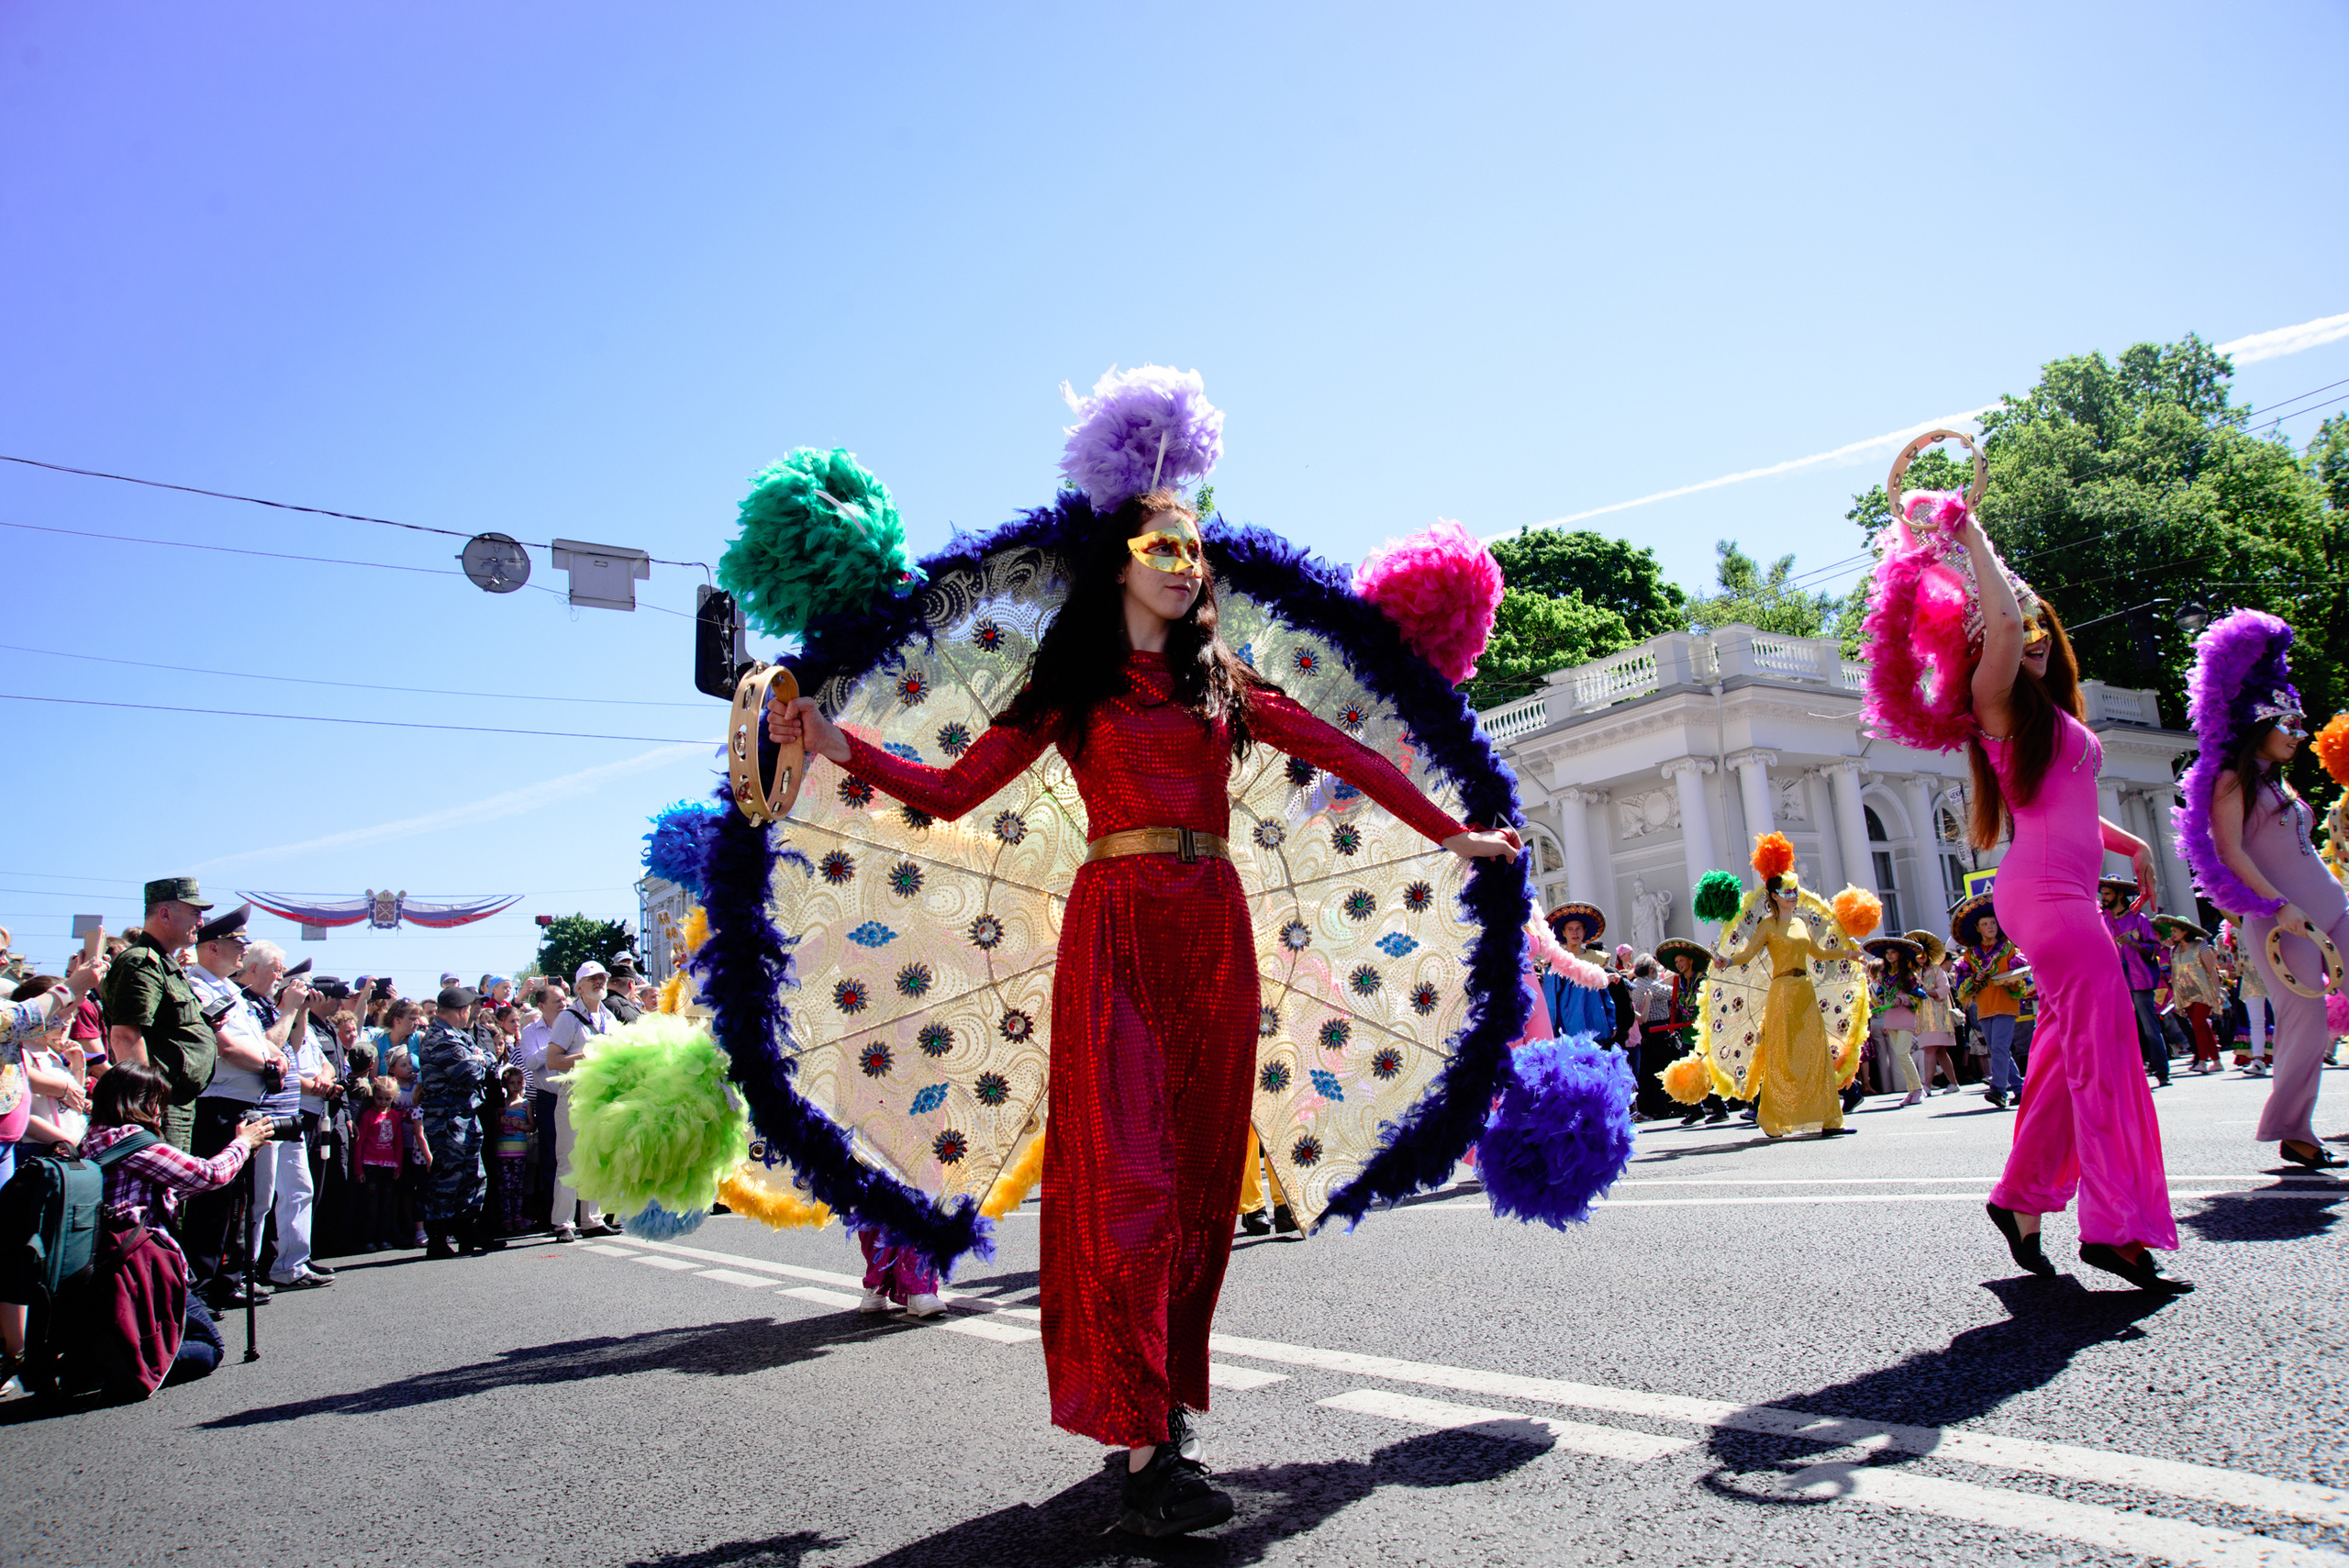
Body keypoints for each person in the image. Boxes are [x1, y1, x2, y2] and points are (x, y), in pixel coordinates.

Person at [766, 483, 1518, 1538]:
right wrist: (838, 746)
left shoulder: (1225, 683)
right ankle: (1143, 1454)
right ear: (1118, 559)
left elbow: (1342, 750)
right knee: (1130, 1181)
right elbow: (952, 791)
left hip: (1212, 930)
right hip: (1113, 926)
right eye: (1164, 544)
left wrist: (1450, 833)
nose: (1185, 562)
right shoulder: (1071, 683)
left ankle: (1157, 1410)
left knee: (1202, 1183)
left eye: (1196, 549)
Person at [1942, 508, 2182, 1292]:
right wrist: (1969, 534)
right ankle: (2115, 1227)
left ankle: (2021, 1201)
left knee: (2060, 1053)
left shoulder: (2056, 720)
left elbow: (2072, 807)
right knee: (2106, 1052)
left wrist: (2133, 845)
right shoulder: (1996, 698)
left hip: (2063, 887)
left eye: (2045, 625)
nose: (2034, 635)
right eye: (2022, 627)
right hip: (2045, 895)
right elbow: (2002, 625)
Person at [2174, 610, 2348, 1169]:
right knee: (2305, 1019)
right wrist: (2278, 906)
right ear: (2259, 724)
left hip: (2333, 908)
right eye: (2289, 724)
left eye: (2301, 724)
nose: (2301, 734)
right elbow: (2230, 853)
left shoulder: (2281, 781)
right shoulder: (2230, 778)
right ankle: (2293, 1128)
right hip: (2282, 920)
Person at [1704, 836, 1868, 1139]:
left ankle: (1831, 1119)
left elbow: (1818, 954)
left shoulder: (1801, 924)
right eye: (1786, 892)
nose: (1792, 896)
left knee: (1816, 1052)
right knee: (1783, 1056)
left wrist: (1848, 953)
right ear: (1774, 895)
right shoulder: (1767, 926)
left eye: (1794, 891)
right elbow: (1749, 954)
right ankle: (1774, 1119)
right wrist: (1727, 961)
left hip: (1805, 990)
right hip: (1781, 993)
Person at [178, 906, 297, 1310]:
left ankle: (228, 1279)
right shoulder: (198, 985)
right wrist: (267, 1063)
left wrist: (273, 1055)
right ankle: (202, 1286)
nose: (243, 950)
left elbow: (257, 1039)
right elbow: (225, 1047)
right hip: (218, 1104)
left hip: (244, 1104)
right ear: (213, 947)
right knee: (212, 1201)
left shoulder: (230, 990)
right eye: (237, 943)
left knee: (238, 1200)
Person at [236, 939, 332, 1291]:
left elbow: (291, 1049)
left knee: (298, 1190)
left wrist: (301, 1011)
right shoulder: (246, 1005)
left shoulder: (273, 1009)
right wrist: (290, 1010)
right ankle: (243, 1273)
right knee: (259, 1200)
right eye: (277, 968)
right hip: (263, 1114)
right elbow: (267, 1049)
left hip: (288, 1113)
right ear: (254, 970)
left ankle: (291, 1264)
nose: (280, 975)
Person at [98, 878, 221, 1151]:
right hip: (158, 1105)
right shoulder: (141, 962)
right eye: (194, 913)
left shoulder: (164, 963)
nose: (201, 922)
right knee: (163, 1191)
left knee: (174, 1191)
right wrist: (145, 1103)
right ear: (165, 913)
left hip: (175, 1102)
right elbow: (125, 1036)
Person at [416, 985, 501, 1259]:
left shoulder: (458, 1036)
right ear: (461, 1011)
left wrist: (480, 1058)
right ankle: (438, 1236)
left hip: (466, 1113)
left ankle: (468, 1230)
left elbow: (487, 1057)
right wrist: (479, 1060)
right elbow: (468, 1072)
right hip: (446, 1117)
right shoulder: (440, 1037)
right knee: (447, 1176)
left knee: (473, 1175)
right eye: (469, 1010)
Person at [542, 962, 619, 1241]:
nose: (599, 982)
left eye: (602, 978)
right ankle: (563, 1223)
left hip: (601, 1095)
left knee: (597, 1158)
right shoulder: (568, 1018)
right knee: (570, 1160)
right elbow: (552, 1061)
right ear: (579, 987)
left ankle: (592, 1219)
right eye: (592, 979)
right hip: (575, 1094)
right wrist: (584, 1057)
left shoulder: (609, 1017)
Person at [1952, 895, 2027, 1108]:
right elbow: (1962, 984)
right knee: (1997, 1050)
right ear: (1978, 928)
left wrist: (2010, 980)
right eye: (1985, 924)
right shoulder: (1971, 955)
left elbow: (2020, 978)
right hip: (1984, 1006)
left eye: (1993, 922)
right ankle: (2020, 1089)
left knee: (2000, 1047)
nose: (1990, 927)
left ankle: (1999, 1090)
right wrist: (1974, 979)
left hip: (2005, 1004)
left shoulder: (2008, 948)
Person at [2099, 877, 2170, 1088]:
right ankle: (2130, 1073)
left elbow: (2153, 950)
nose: (2103, 898)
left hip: (2140, 980)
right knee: (2120, 1029)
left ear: (2120, 895)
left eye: (2107, 894)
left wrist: (2134, 943)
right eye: (2102, 894)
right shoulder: (2101, 921)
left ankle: (2162, 1071)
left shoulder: (2139, 920)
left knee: (2149, 1027)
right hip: (2115, 982)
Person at [517, 981, 565, 1229]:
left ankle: (578, 1213)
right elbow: (530, 1063)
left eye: (564, 998)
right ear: (542, 1005)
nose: (563, 1003)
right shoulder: (530, 1032)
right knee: (551, 1157)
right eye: (557, 1000)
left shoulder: (572, 1024)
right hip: (548, 1100)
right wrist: (554, 1047)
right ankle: (550, 1214)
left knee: (577, 1155)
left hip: (575, 1096)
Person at [1865, 936, 1928, 1106]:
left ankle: (1918, 1089)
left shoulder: (1907, 975)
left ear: (1900, 955)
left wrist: (1901, 1001)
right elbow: (1881, 996)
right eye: (1887, 952)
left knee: (1902, 1053)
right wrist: (1876, 1006)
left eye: (1893, 952)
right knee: (1900, 1057)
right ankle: (1912, 1090)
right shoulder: (1884, 976)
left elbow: (1918, 996)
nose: (1890, 955)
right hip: (1890, 1019)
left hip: (1905, 1018)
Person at [1540, 903, 1616, 1041]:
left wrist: (1611, 1021)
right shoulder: (1557, 961)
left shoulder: (1596, 958)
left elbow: (1605, 993)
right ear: (1563, 933)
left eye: (1578, 929)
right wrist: (1550, 1029)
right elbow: (1550, 999)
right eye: (1570, 929)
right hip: (1569, 1025)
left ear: (1584, 931)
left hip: (1596, 1021)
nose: (1575, 933)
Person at [2159, 917, 2224, 1073]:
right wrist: (2175, 995)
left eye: (2175, 931)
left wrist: (2217, 991)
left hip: (2203, 993)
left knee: (2198, 1025)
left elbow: (2211, 970)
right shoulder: (2174, 950)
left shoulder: (2200, 945)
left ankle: (2202, 1061)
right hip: (2185, 995)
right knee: (2202, 1026)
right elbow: (2175, 974)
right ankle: (2216, 1061)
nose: (2172, 934)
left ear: (2185, 931)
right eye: (2172, 931)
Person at [352, 1077, 407, 1251]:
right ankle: (369, 1239)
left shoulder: (395, 1116)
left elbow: (398, 1142)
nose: (383, 1102)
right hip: (370, 1166)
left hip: (388, 1166)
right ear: (373, 1096)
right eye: (379, 1098)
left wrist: (398, 1165)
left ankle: (384, 1238)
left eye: (387, 1099)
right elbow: (359, 1143)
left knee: (386, 1204)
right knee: (371, 1204)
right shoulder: (368, 1116)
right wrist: (358, 1168)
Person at [1909, 930, 1962, 1095]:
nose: (1921, 956)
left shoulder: (1937, 970)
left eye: (1923, 953)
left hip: (1938, 1015)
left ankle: (1926, 1085)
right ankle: (1953, 1083)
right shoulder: (1917, 973)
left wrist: (1925, 991)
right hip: (1924, 1016)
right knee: (1940, 1052)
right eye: (1917, 953)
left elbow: (1944, 990)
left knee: (1931, 1049)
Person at [489, 1065, 534, 1236]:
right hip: (502, 1152)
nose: (515, 1086)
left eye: (518, 1083)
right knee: (504, 1187)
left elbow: (532, 1126)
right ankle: (506, 1218)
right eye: (511, 1083)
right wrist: (500, 1122)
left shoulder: (525, 1104)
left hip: (520, 1153)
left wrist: (520, 1126)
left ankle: (518, 1217)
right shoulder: (500, 1105)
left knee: (518, 1186)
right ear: (505, 1084)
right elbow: (493, 1127)